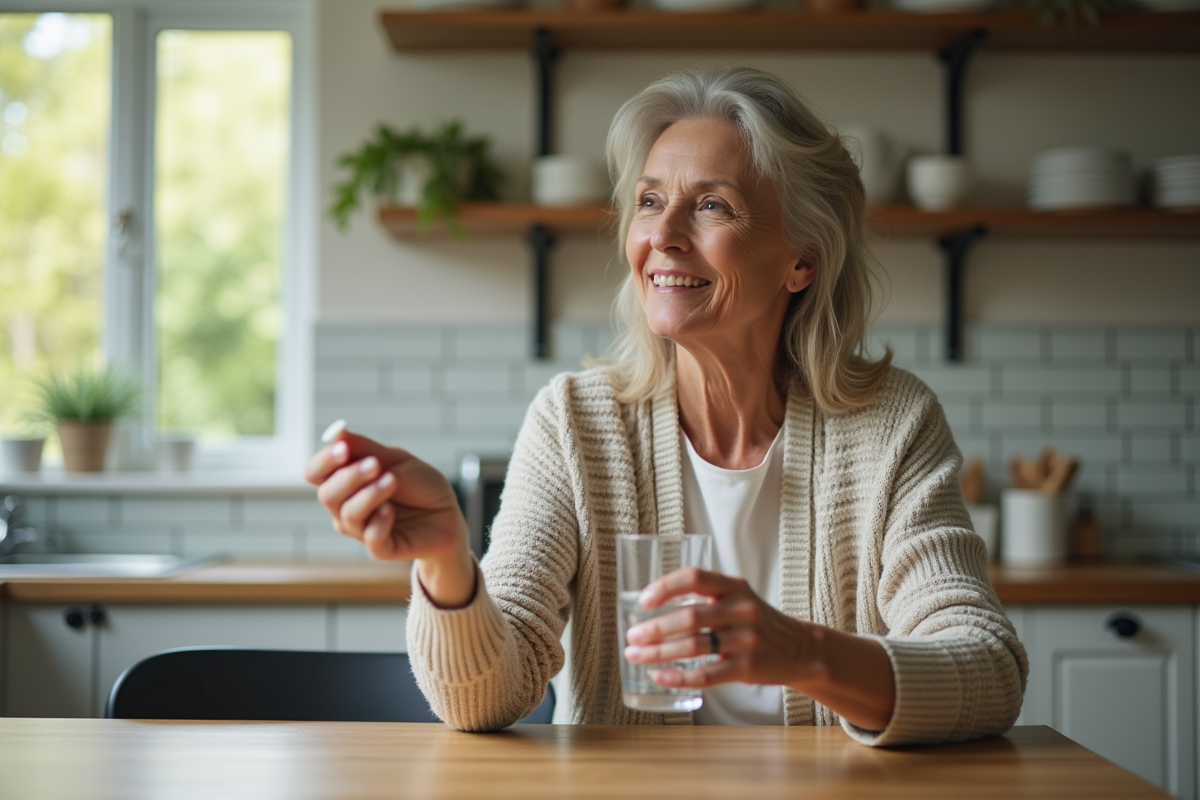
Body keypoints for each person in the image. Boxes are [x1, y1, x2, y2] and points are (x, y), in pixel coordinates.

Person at [305, 66, 1027, 746]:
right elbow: (484, 700)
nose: (662, 236)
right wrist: (445, 559)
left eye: (712, 206)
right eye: (650, 202)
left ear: (802, 261)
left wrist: (799, 652)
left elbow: (988, 670)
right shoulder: (575, 423)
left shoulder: (891, 424)